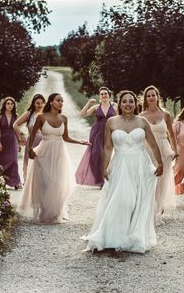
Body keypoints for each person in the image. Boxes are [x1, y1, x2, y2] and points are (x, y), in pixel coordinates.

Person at [84, 90, 163, 254]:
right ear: (119, 104)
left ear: (135, 104)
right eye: (125, 101)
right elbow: (107, 147)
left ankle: (132, 235)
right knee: (122, 200)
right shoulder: (112, 122)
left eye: (131, 101)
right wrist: (104, 167)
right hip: (120, 165)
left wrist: (160, 163)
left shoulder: (142, 121)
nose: (128, 104)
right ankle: (112, 236)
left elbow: (153, 144)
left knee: (137, 201)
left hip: (140, 164)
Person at [17, 93, 90, 224]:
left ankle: (55, 212)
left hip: (59, 154)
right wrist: (30, 150)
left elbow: (66, 138)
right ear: (51, 102)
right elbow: (32, 136)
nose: (61, 103)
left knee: (58, 183)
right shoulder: (41, 118)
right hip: (44, 152)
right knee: (45, 182)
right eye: (58, 100)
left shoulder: (64, 118)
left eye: (62, 101)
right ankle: (44, 212)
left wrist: (80, 141)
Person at [139, 85, 178, 225]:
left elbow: (171, 135)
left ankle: (158, 209)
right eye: (148, 95)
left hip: (164, 150)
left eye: (153, 95)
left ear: (157, 97)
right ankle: (147, 210)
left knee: (162, 181)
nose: (151, 97)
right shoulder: (141, 116)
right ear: (145, 98)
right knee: (149, 179)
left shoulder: (165, 115)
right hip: (147, 149)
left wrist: (175, 151)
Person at [75, 86, 117, 187]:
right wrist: (89, 103)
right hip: (97, 132)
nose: (104, 95)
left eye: (105, 93)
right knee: (97, 153)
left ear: (109, 95)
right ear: (99, 96)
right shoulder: (96, 107)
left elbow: (120, 118)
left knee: (107, 154)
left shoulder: (115, 106)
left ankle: (105, 177)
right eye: (102, 94)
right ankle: (99, 179)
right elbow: (82, 114)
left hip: (110, 132)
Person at [13, 93, 46, 183]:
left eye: (42, 103)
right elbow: (15, 124)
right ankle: (29, 183)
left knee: (42, 164)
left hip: (44, 142)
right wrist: (21, 135)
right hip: (31, 142)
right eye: (37, 103)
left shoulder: (46, 114)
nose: (40, 105)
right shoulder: (29, 114)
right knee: (29, 163)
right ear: (33, 104)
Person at [0, 97, 22, 189]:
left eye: (12, 104)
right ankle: (0, 180)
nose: (10, 105)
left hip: (12, 141)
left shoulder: (15, 116)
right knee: (1, 161)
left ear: (14, 105)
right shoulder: (0, 115)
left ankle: (15, 182)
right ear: (5, 105)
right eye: (8, 103)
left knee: (14, 161)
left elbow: (17, 131)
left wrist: (19, 143)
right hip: (2, 140)